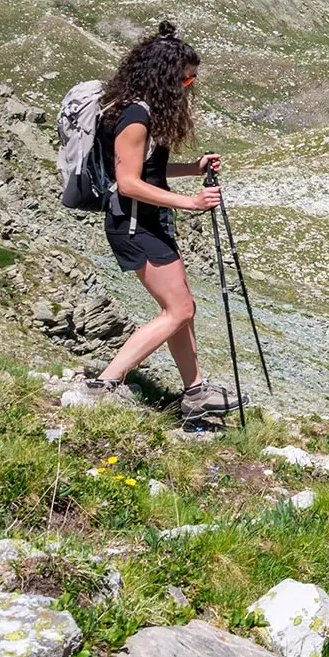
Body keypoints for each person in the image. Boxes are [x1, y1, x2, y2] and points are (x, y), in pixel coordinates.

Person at [81, 22, 232, 429]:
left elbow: (151, 169)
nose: (188, 85)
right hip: (135, 226)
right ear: (166, 76)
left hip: (148, 224)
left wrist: (194, 168)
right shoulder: (134, 116)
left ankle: (196, 389)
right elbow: (129, 183)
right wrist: (191, 202)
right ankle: (106, 384)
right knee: (179, 308)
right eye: (185, 77)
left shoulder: (134, 108)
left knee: (181, 309)